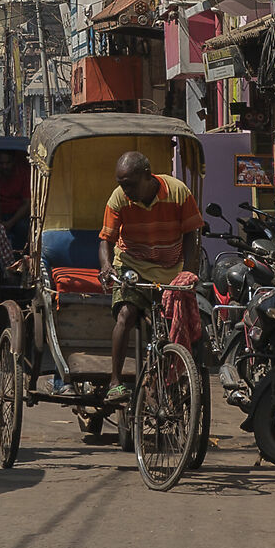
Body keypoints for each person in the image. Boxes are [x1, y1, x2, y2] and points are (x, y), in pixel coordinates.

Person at [99, 151, 204, 404]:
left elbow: (192, 234)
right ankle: (115, 382)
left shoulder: (178, 192)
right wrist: (105, 267)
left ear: (147, 176)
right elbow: (106, 239)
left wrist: (188, 272)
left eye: (130, 184)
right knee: (126, 313)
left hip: (170, 268)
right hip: (131, 264)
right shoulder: (118, 199)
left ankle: (174, 376)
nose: (125, 190)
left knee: (177, 323)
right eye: (121, 184)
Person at [0, 150, 32, 251]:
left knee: (24, 227)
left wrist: (10, 222)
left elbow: (27, 203)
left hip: (18, 215)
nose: (4, 167)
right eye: (1, 163)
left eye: (7, 163)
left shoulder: (23, 173)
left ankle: (20, 255)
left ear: (13, 162)